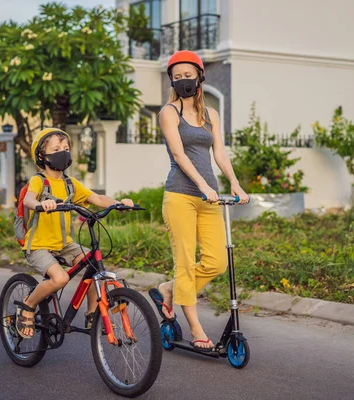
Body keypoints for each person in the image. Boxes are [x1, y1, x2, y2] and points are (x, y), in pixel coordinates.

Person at [149, 50, 249, 349]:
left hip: (211, 198)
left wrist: (235, 183)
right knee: (185, 263)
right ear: (172, 81)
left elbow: (219, 153)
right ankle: (195, 328)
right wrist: (203, 184)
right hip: (181, 195)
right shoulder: (169, 112)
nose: (183, 81)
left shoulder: (211, 115)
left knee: (217, 262)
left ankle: (168, 290)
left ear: (200, 76)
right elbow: (178, 154)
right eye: (177, 77)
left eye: (188, 75)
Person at [16, 127, 134, 339]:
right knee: (60, 279)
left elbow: (96, 199)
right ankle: (28, 304)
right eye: (57, 148)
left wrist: (119, 203)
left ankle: (91, 315)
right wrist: (42, 204)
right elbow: (28, 199)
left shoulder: (70, 184)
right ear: (42, 156)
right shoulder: (39, 181)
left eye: (66, 148)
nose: (63, 152)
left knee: (93, 265)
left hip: (64, 243)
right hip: (39, 245)